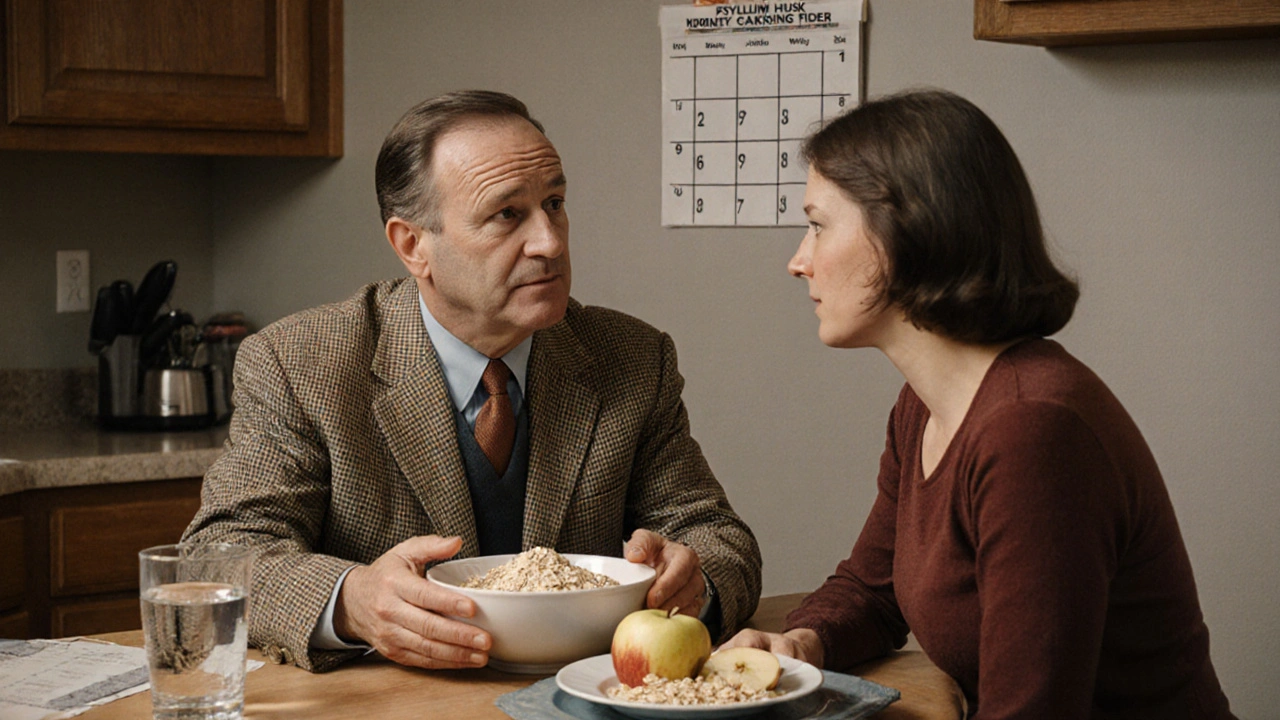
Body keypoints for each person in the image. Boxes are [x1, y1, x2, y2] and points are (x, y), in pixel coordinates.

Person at [183, 90, 761, 673]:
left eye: (554, 203)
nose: (551, 242)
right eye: (507, 214)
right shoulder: (299, 362)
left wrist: (696, 581)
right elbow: (218, 556)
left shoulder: (632, 357)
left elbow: (716, 535)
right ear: (413, 246)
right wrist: (353, 600)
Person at [720, 89, 1235, 719]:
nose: (798, 261)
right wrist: (803, 641)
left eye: (818, 224)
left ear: (902, 233)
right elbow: (874, 589)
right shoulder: (925, 407)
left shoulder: (1031, 430)